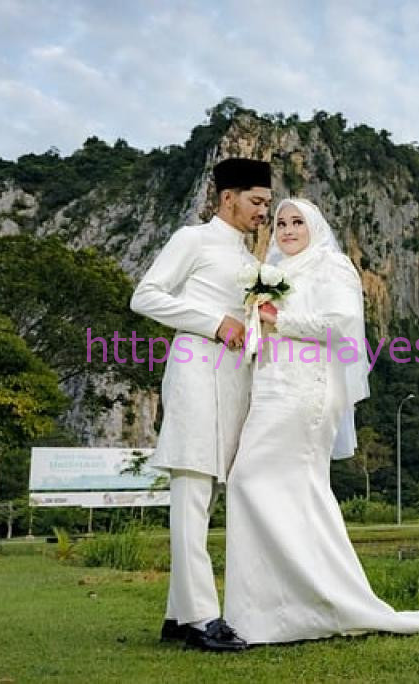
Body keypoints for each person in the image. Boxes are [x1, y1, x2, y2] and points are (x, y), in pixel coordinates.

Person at [223, 198, 419, 644]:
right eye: (280, 223)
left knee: (252, 480)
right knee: (292, 491)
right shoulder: (272, 274)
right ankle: (278, 612)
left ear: (315, 226)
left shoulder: (333, 266)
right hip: (271, 387)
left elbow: (342, 325)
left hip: (307, 390)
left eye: (297, 221)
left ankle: (293, 606)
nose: (287, 229)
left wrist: (280, 318)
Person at [130, 158, 272, 652]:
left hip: (234, 383)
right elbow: (145, 296)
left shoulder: (251, 260)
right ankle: (200, 620)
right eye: (256, 202)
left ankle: (176, 616)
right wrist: (213, 322)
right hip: (194, 373)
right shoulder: (192, 239)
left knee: (203, 499)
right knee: (191, 496)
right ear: (227, 197)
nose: (262, 212)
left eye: (267, 205)